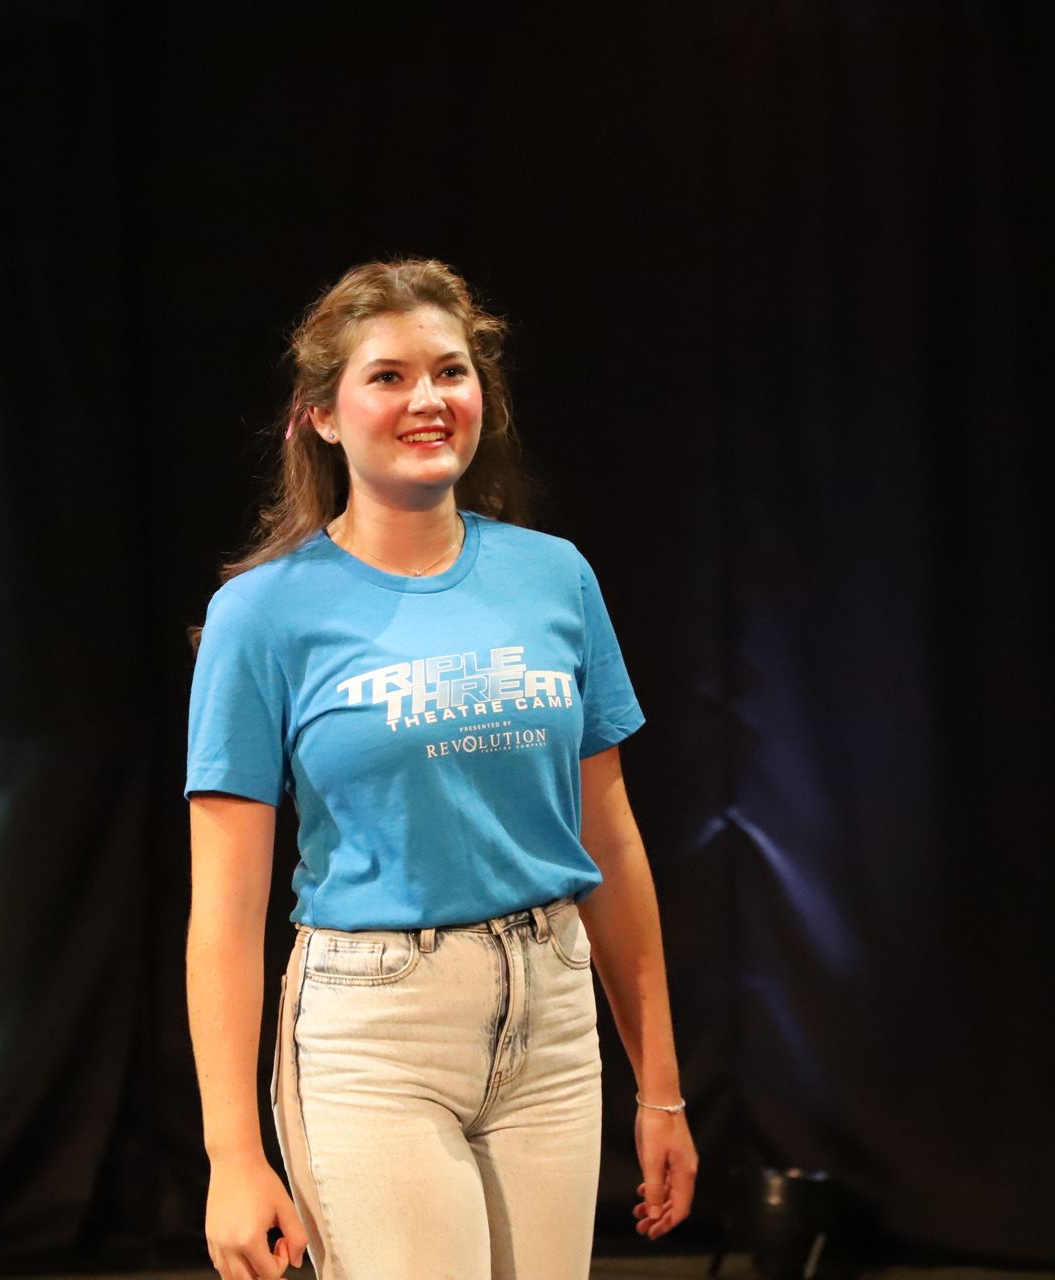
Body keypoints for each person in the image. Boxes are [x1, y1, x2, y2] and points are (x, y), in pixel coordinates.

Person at [185, 258, 696, 1280]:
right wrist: (231, 1151)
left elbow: (610, 836)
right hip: (376, 1029)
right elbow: (226, 910)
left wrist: (663, 1088)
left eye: (450, 371)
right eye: (387, 376)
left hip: (550, 1017)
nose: (427, 399)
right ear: (323, 415)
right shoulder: (266, 612)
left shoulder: (554, 574)